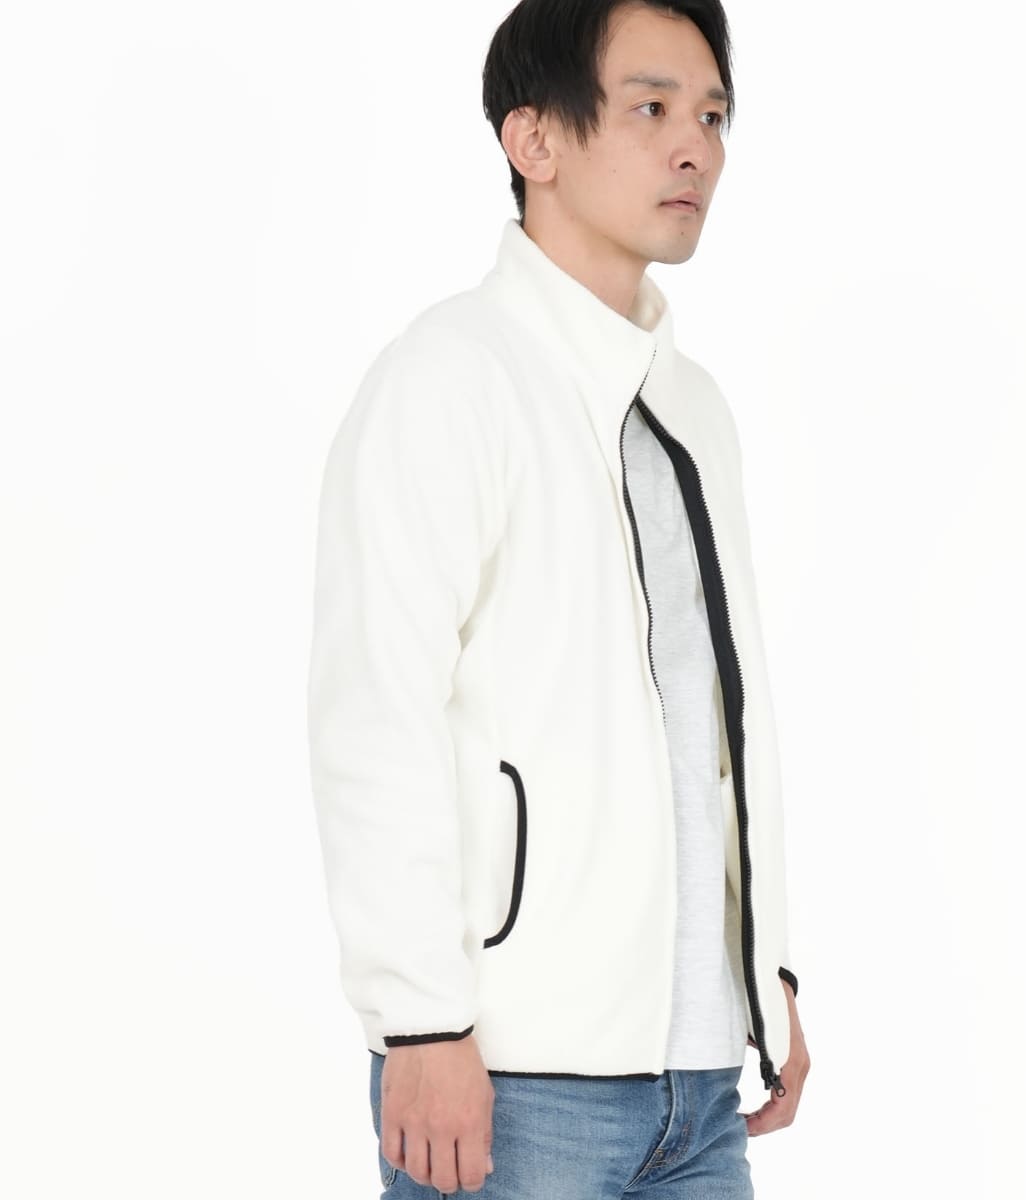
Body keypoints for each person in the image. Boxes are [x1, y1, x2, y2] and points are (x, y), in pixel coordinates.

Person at [306, 1, 810, 1195]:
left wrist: (765, 978)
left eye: (712, 116)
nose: (694, 148)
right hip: (515, 1079)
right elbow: (374, 712)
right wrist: (420, 1020)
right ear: (533, 140)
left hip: (701, 1089)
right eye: (651, 108)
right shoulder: (450, 379)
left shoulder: (694, 408)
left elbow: (718, 727)